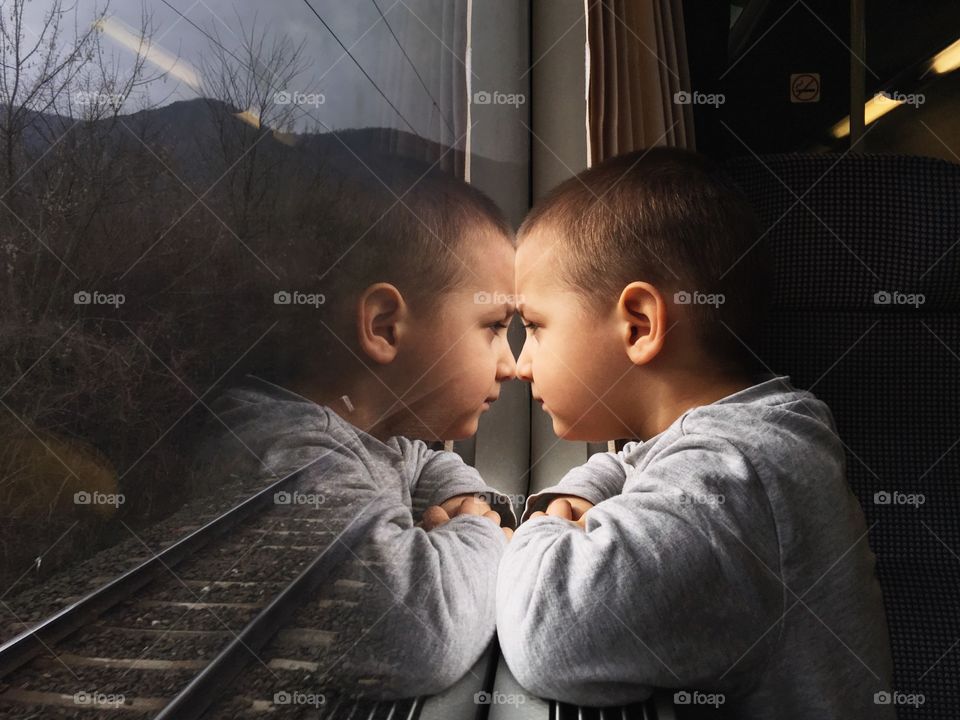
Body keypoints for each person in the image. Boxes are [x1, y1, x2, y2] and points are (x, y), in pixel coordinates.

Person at [496, 147, 894, 718]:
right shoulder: (752, 428)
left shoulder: (737, 476)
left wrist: (536, 525)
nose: (521, 363)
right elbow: (629, 463)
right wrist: (572, 497)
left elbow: (550, 631)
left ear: (639, 325)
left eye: (534, 327)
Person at [198, 142, 518, 698]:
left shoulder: (369, 435)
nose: (510, 364)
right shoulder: (288, 457)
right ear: (387, 326)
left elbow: (422, 463)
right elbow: (419, 631)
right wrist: (480, 532)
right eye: (493, 326)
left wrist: (462, 503)